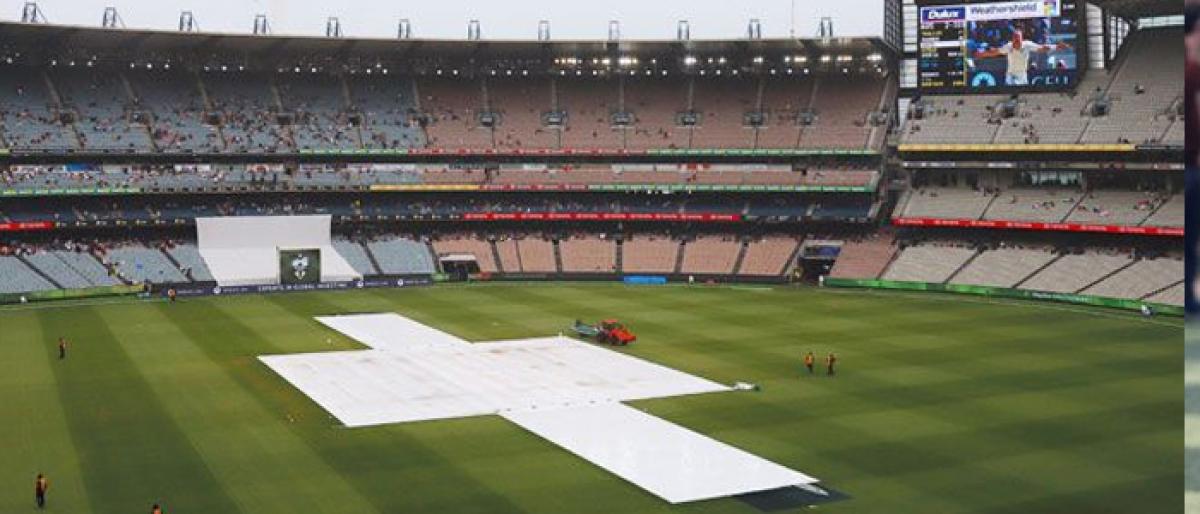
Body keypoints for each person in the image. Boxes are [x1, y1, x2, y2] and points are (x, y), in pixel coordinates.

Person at [973, 29, 1070, 86]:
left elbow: (1042, 48)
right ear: (1012, 39)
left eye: (1018, 39)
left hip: (1023, 75)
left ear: (1021, 39)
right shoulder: (1009, 46)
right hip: (1011, 75)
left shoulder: (1027, 45)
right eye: (1014, 39)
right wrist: (981, 54)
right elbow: (995, 52)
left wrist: (1056, 47)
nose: (1016, 41)